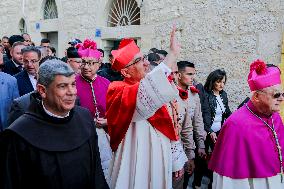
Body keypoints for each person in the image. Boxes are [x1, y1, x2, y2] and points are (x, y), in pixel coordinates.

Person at [0, 59, 109, 189]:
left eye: (73, 84)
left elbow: (96, 172)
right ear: (42, 91)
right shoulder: (18, 134)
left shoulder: (84, 118)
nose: (72, 92)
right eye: (62, 86)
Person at [106, 27, 187, 189]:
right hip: (135, 154)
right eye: (139, 60)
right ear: (125, 71)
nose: (146, 62)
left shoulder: (148, 85)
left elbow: (168, 124)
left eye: (144, 57)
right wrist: (171, 56)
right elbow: (148, 89)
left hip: (159, 155)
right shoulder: (117, 89)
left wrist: (175, 159)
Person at [209, 59, 284, 189]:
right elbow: (228, 180)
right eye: (276, 95)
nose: (281, 98)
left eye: (283, 94)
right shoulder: (235, 125)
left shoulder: (275, 117)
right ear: (256, 97)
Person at [75, 39, 112, 181]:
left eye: (91, 63)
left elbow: (114, 111)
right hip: (80, 135)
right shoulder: (72, 82)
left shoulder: (106, 83)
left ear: (99, 64)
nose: (86, 67)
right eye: (83, 62)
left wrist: (108, 121)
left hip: (105, 136)